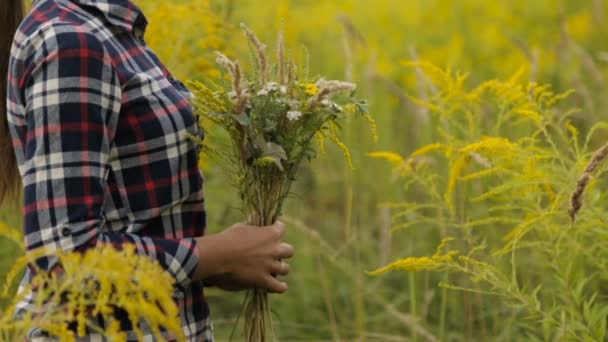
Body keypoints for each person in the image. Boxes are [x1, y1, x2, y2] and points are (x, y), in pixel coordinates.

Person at [0, 0, 295, 340]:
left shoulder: (111, 30)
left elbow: (134, 218)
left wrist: (217, 261)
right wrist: (218, 256)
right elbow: (66, 263)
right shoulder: (72, 42)